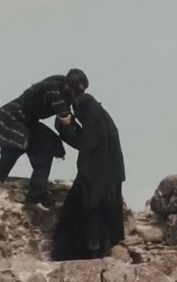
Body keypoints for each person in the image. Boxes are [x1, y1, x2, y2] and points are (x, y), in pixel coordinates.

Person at [0, 69, 89, 204]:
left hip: (30, 121)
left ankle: (36, 195)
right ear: (68, 85)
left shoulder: (65, 95)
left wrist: (86, 141)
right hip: (16, 117)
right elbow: (64, 117)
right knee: (15, 145)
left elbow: (66, 121)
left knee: (47, 148)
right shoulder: (53, 87)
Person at [51, 93, 125, 260]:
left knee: (88, 214)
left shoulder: (95, 124)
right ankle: (100, 250)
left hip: (94, 179)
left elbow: (83, 143)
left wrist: (66, 126)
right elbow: (87, 139)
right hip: (108, 178)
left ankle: (93, 251)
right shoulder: (103, 121)